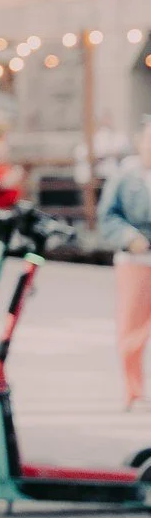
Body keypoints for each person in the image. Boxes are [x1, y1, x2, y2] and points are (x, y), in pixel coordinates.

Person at [98, 118, 151, 408]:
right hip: (136, 259)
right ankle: (134, 390)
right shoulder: (126, 176)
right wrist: (130, 237)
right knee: (133, 328)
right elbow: (108, 216)